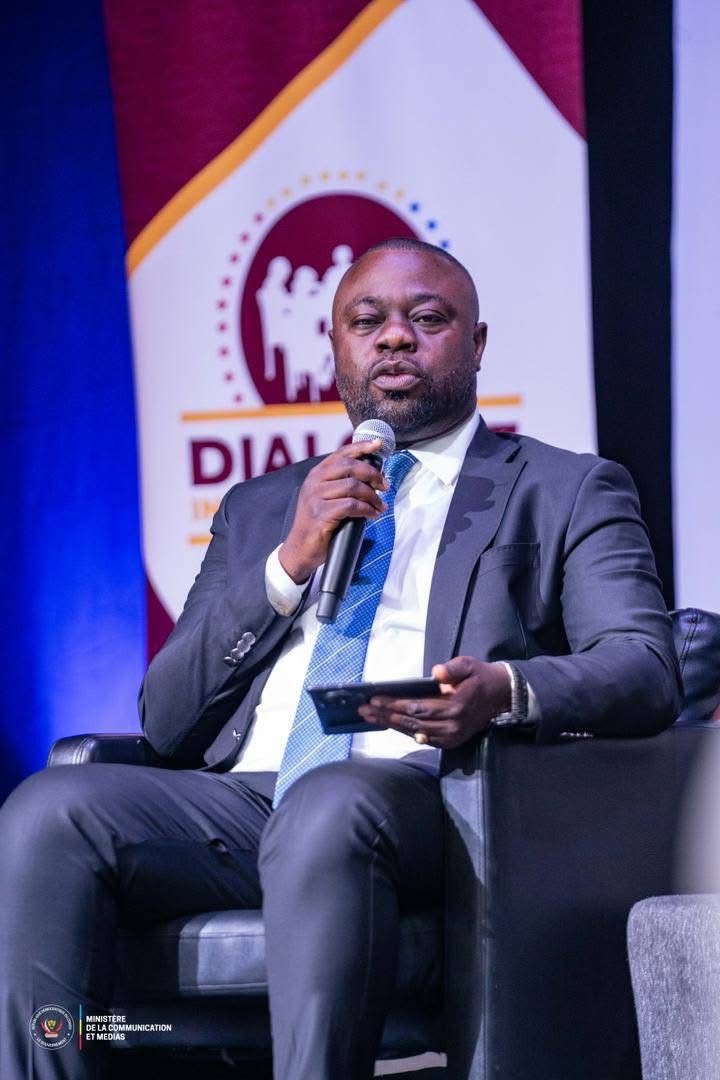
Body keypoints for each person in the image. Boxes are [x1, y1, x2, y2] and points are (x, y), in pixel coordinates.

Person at [0, 238, 681, 1079]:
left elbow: (645, 666)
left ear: (477, 345)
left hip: (434, 800)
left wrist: (503, 690)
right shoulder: (263, 506)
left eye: (427, 318)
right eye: (367, 322)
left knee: (330, 803)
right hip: (249, 805)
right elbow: (168, 721)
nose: (394, 337)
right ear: (334, 349)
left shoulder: (565, 487)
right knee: (50, 810)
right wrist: (288, 564)